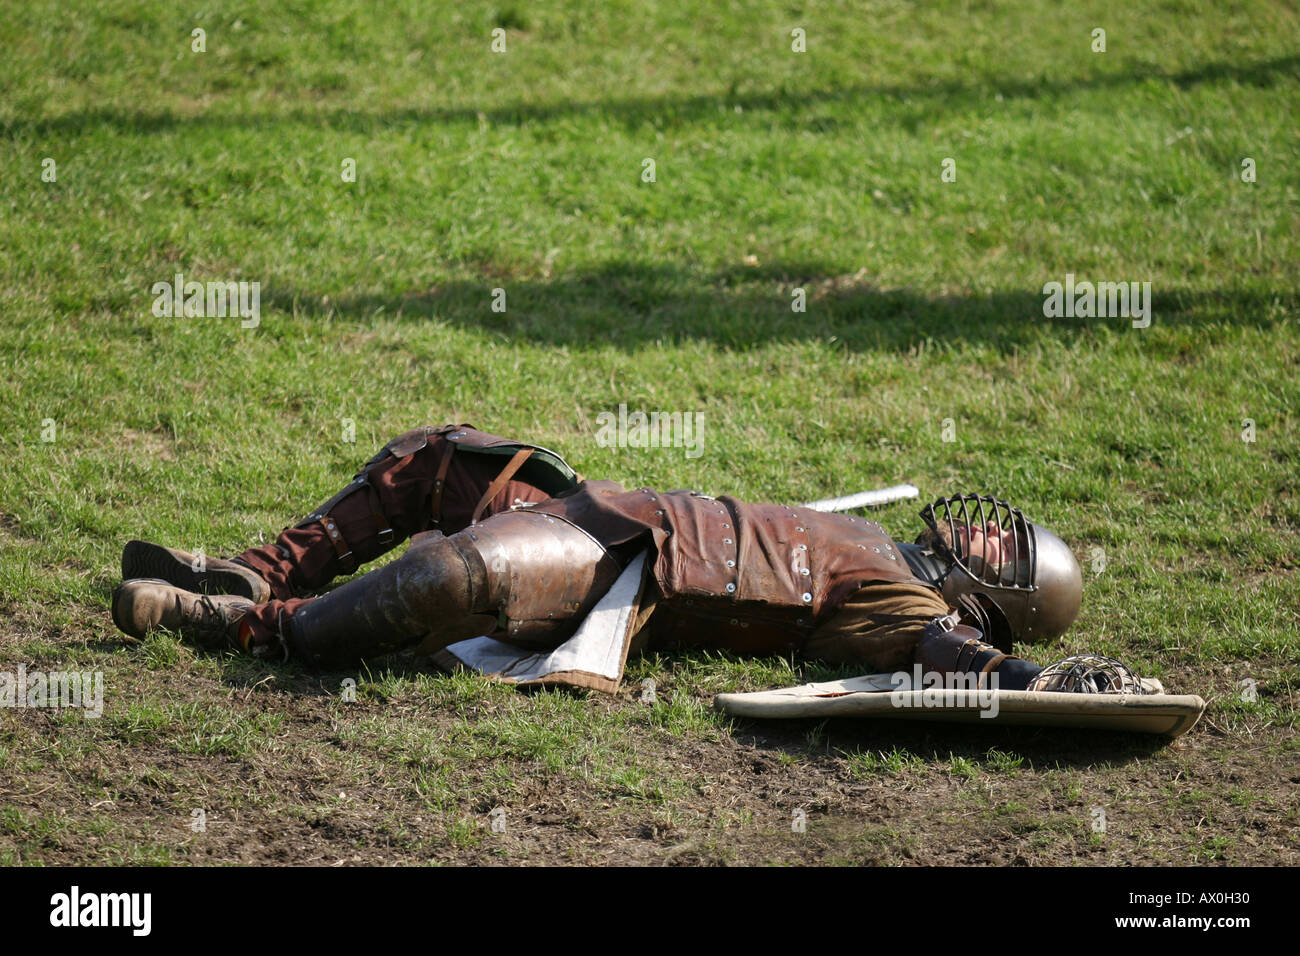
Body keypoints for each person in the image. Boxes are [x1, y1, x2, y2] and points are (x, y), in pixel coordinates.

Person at [112, 424, 1140, 695]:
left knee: (453, 577)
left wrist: (1035, 680)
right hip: (597, 501)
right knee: (442, 456)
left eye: (1004, 549)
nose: (983, 529)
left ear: (1003, 599)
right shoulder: (883, 537)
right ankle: (261, 568)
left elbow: (937, 655)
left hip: (617, 566)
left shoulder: (904, 602)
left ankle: (242, 624)